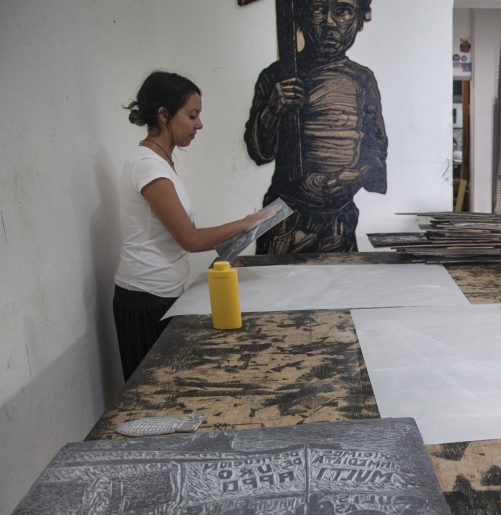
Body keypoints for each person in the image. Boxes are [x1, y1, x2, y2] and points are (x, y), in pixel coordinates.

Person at [114, 71, 280, 381]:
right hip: (145, 298)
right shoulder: (147, 166)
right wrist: (246, 223)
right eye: (192, 115)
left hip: (161, 293)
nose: (199, 124)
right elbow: (190, 239)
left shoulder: (160, 162)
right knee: (154, 390)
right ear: (164, 115)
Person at [245, 0, 388, 254]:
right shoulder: (276, 76)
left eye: (342, 11)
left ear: (359, 19)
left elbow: (376, 152)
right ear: (300, 16)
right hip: (283, 220)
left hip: (338, 222)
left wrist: (355, 177)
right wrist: (273, 110)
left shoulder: (362, 79)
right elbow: (260, 152)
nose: (329, 22)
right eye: (318, 9)